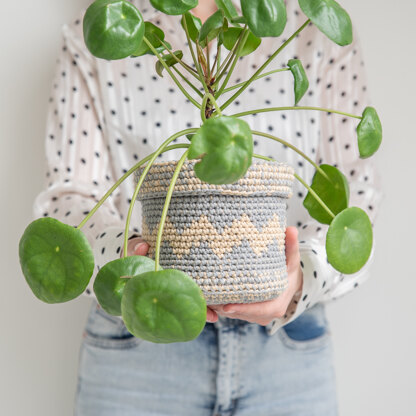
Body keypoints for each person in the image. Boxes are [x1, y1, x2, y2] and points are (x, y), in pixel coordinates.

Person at [34, 0, 383, 414]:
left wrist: (297, 280)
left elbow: (354, 195)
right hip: (140, 337)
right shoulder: (113, 22)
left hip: (288, 345)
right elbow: (70, 195)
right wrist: (130, 254)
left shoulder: (308, 24)